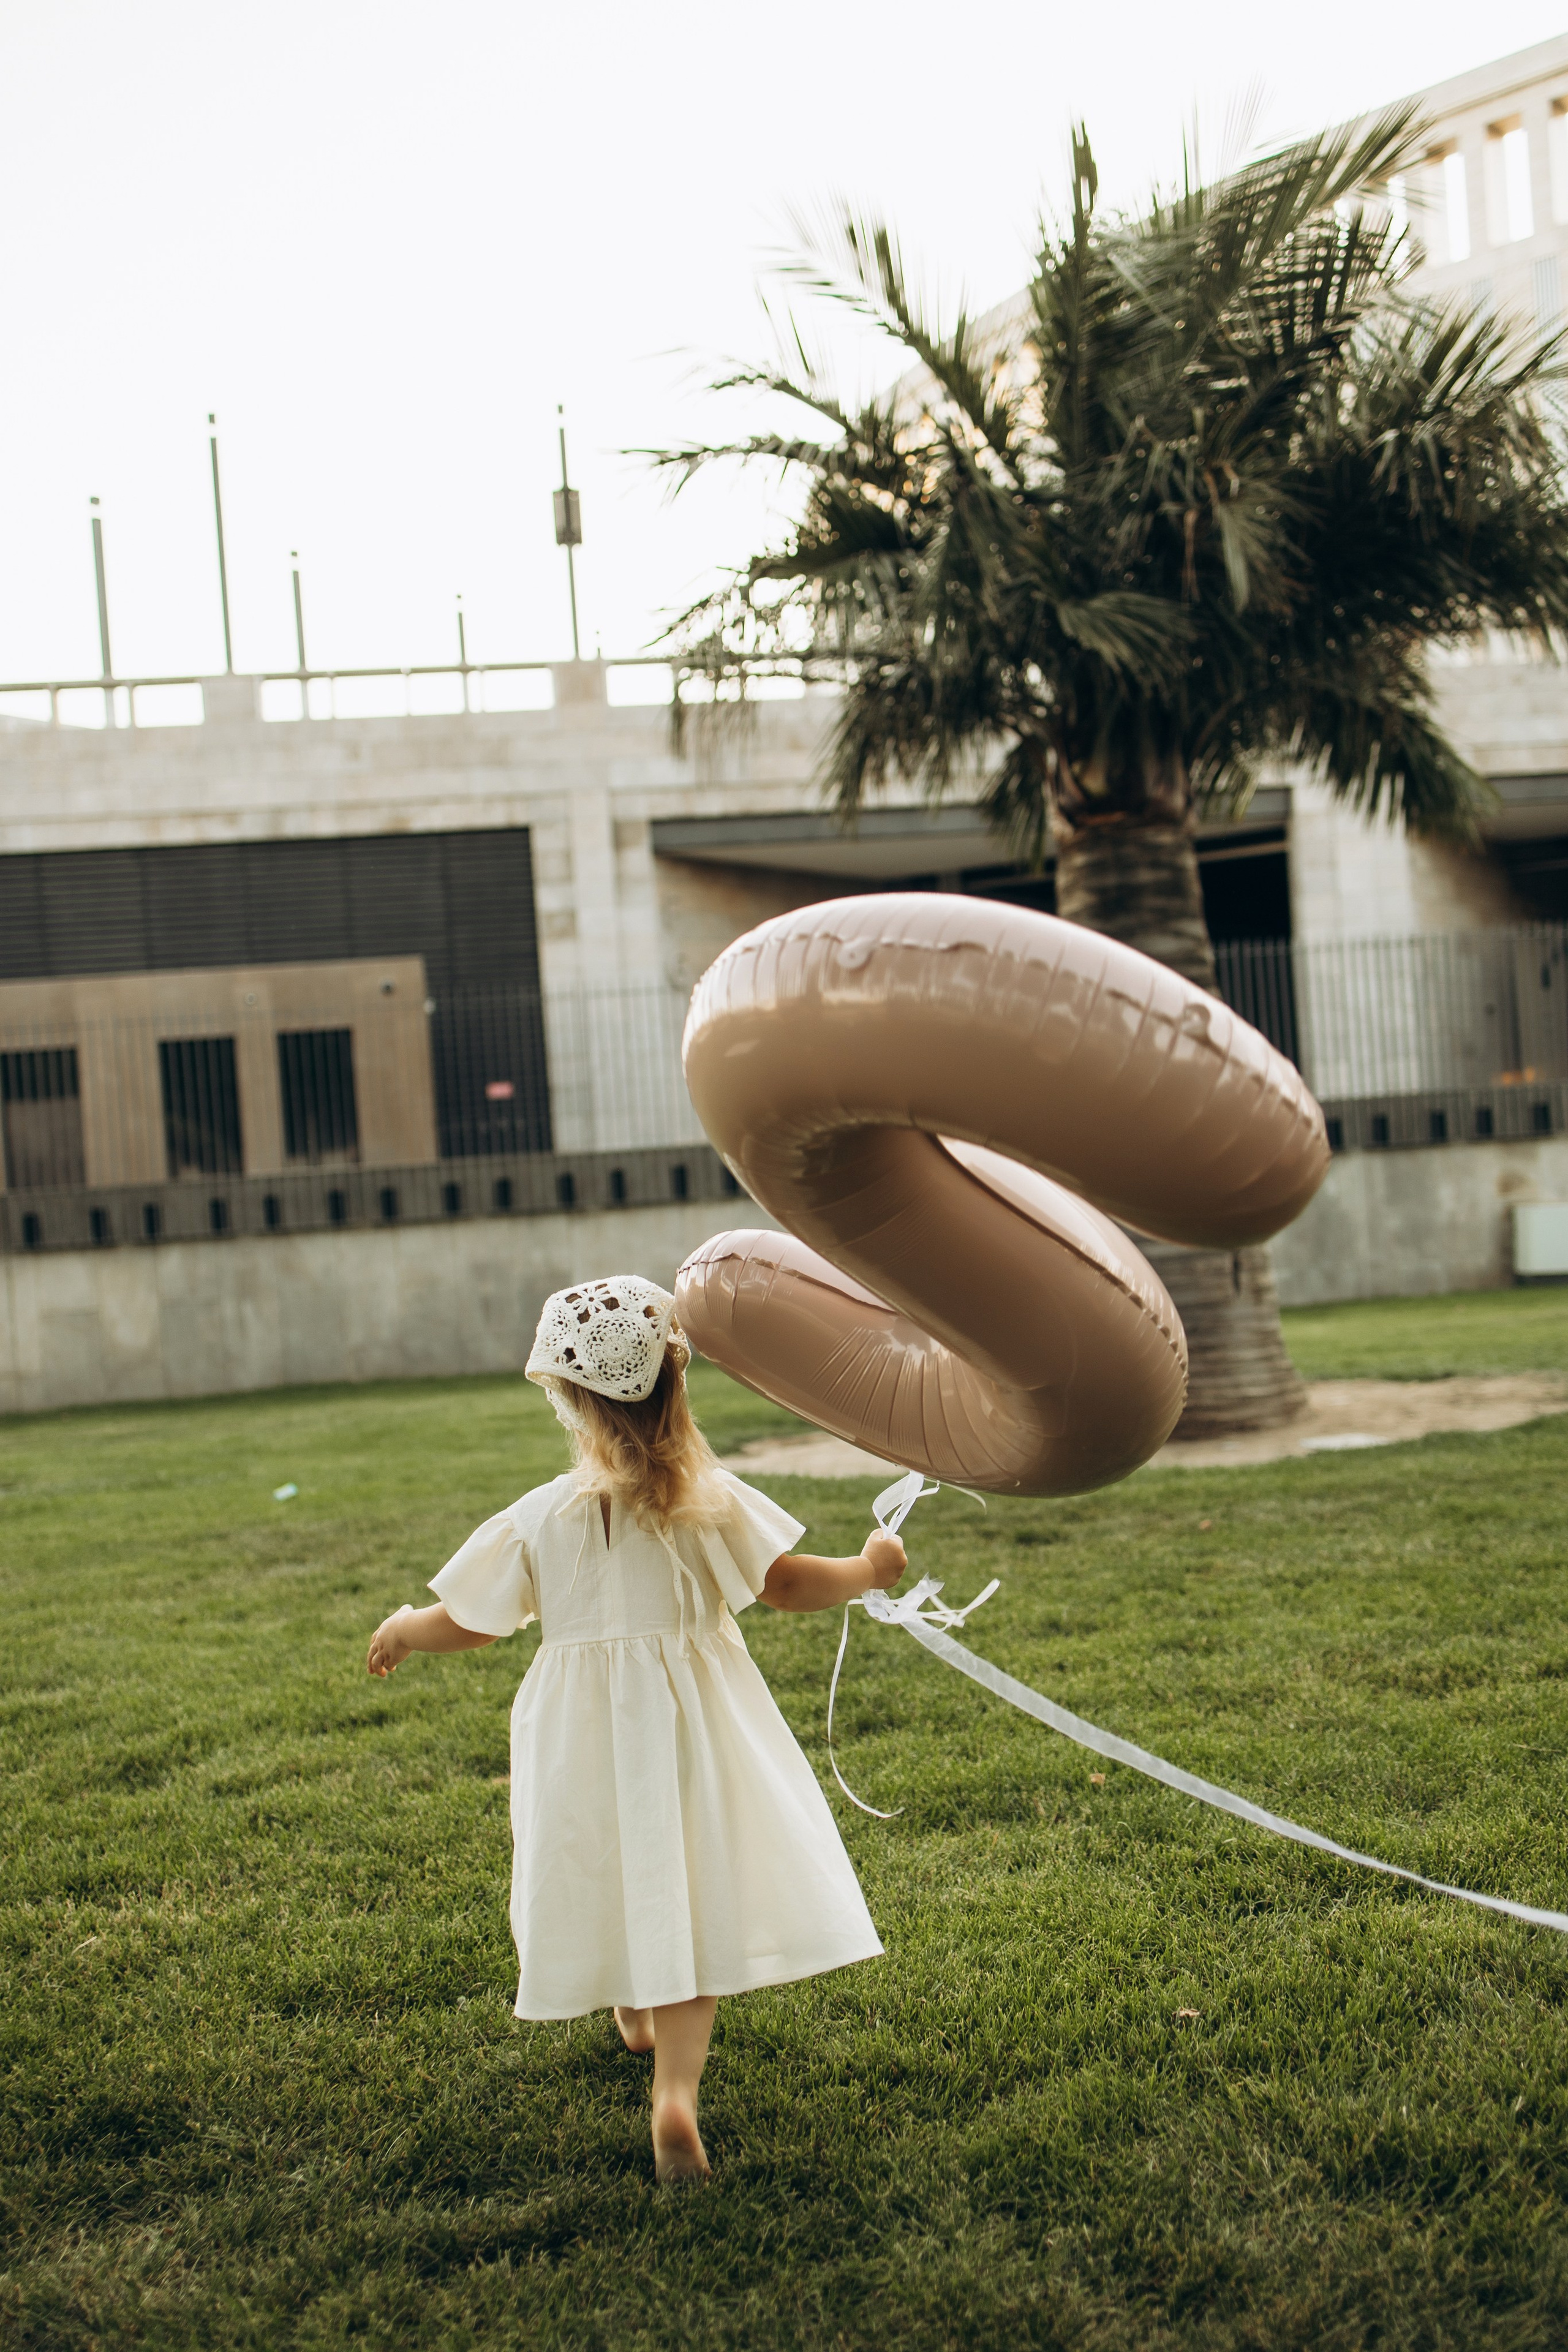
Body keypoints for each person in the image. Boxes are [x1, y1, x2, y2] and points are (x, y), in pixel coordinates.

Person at [366, 1274, 906, 2184]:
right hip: (694, 1723)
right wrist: (867, 1568)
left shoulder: (540, 1515)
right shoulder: (706, 1498)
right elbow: (785, 1586)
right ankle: (674, 2098)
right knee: (685, 1887)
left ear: (569, 1400)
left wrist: (409, 1629)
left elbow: (476, 1620)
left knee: (613, 1860)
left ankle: (628, 2005)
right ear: (676, 1384)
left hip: (578, 1733)